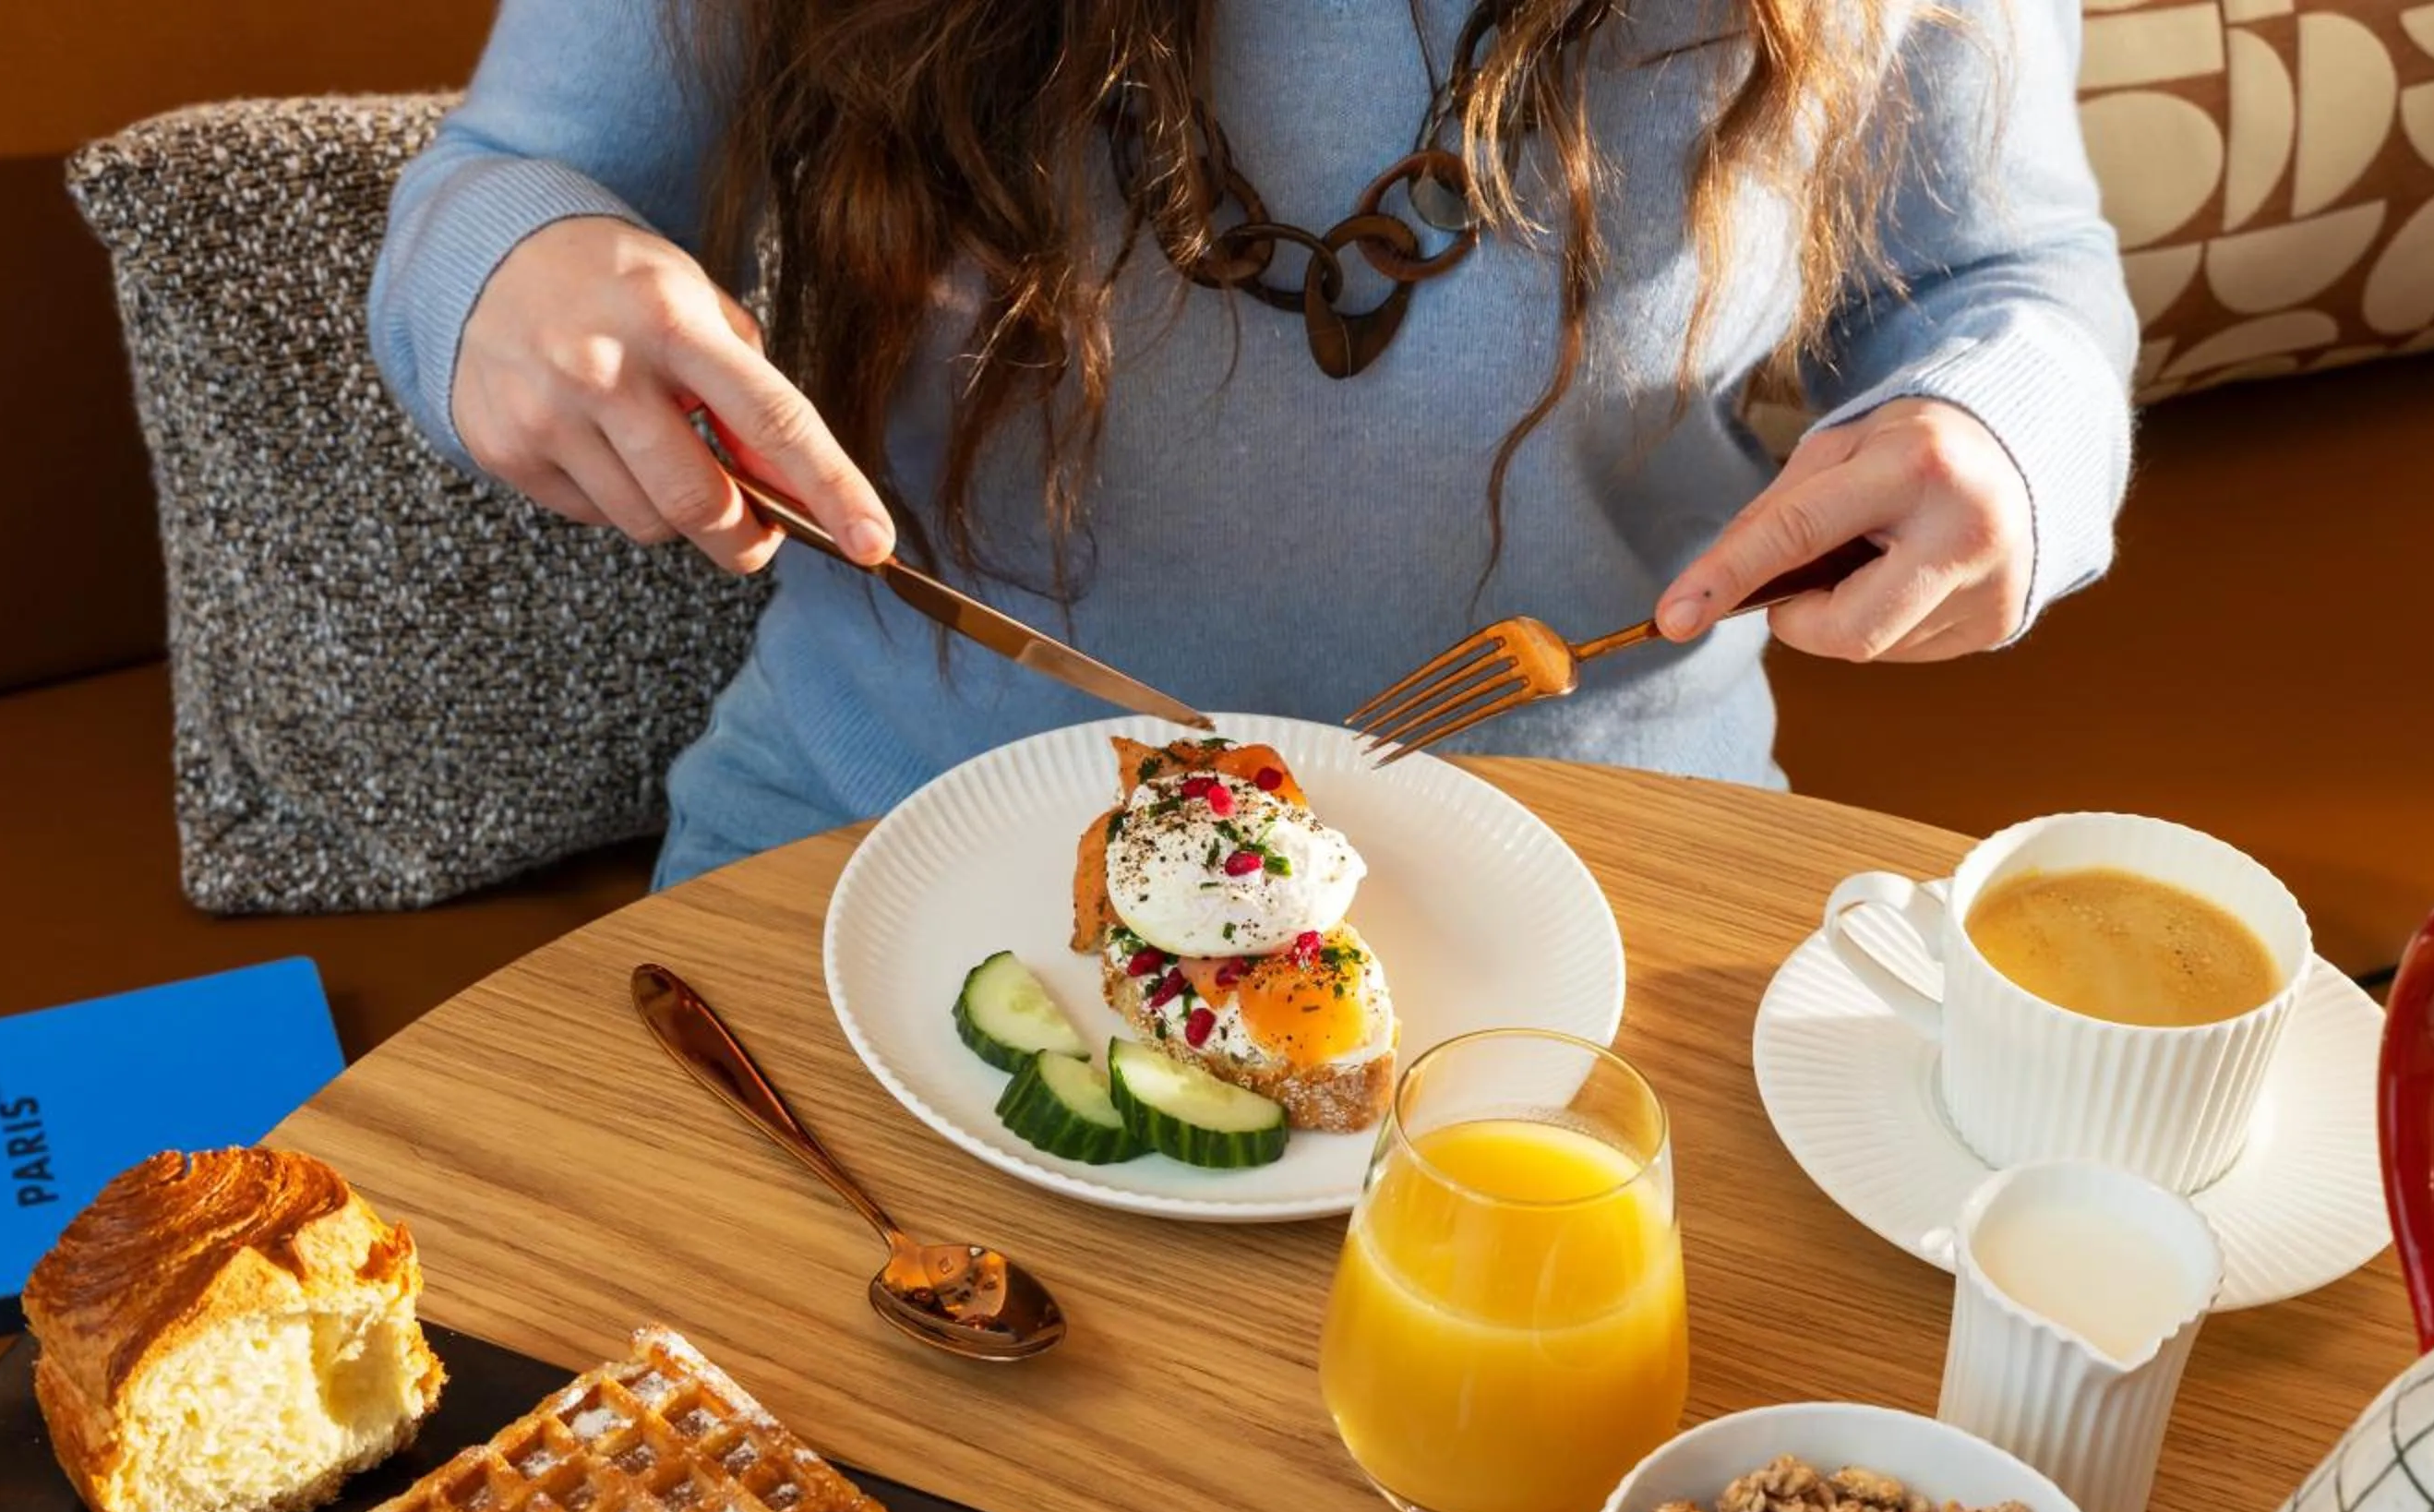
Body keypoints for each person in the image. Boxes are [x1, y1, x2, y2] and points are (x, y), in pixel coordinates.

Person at [373, 1, 2136, 889]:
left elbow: (2011, 277)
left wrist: (2005, 432)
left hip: (1603, 870)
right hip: (881, 841)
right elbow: (495, 185)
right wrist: (507, 272)